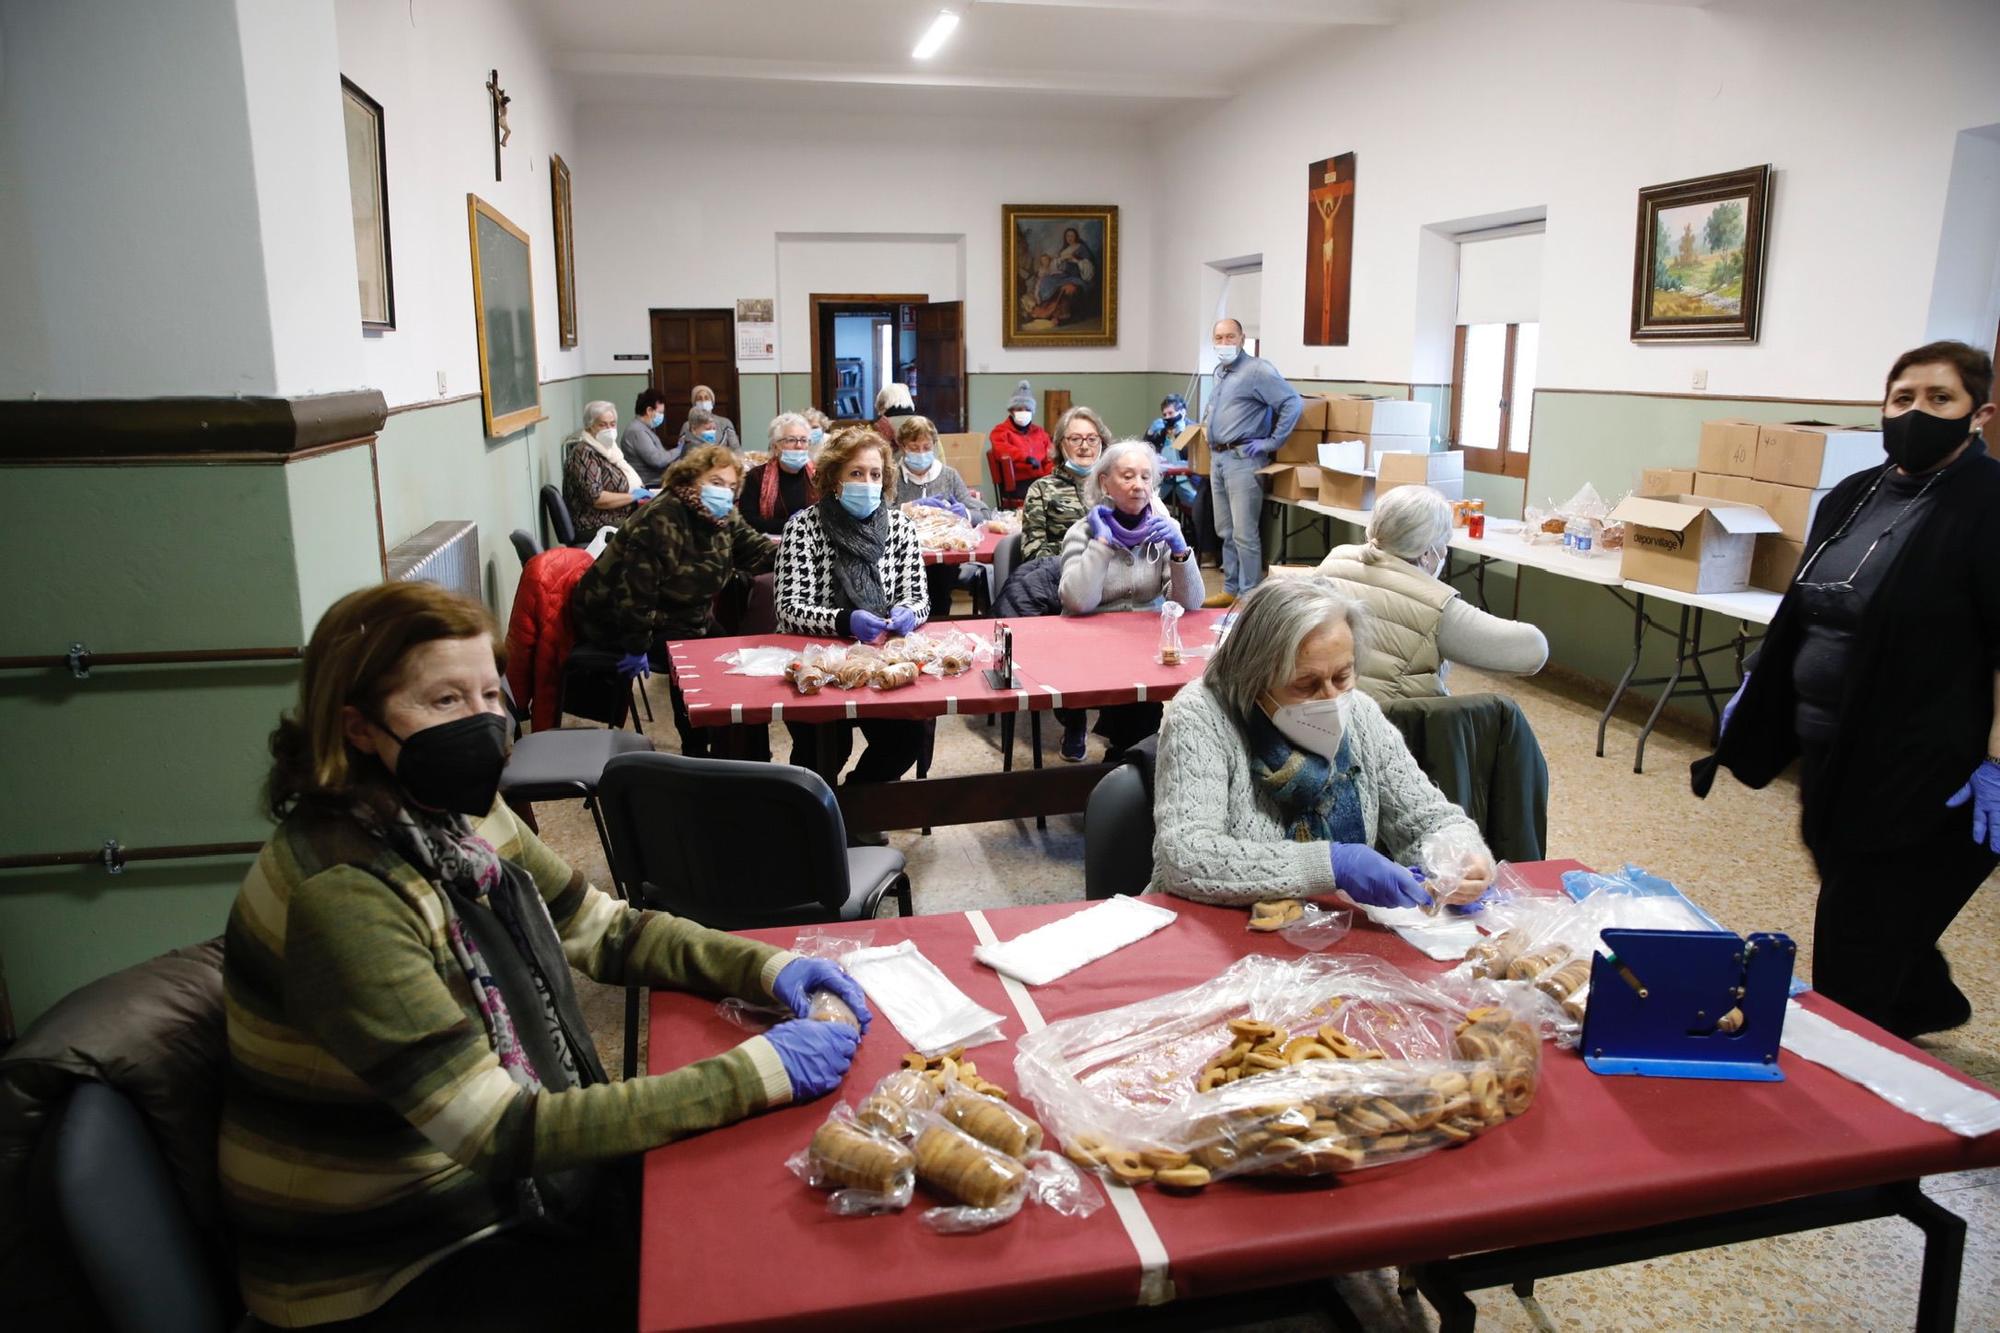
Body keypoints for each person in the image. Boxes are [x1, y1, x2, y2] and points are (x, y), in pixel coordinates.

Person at [220, 581, 867, 1329]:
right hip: (387, 1264)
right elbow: (505, 1131)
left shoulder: (450, 810)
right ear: (357, 727)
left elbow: (606, 928)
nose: (485, 721)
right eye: (445, 701)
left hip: (475, 1196)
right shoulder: (343, 893)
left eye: (491, 693)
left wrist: (764, 965)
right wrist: (762, 1069)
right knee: (717, 1276)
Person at [1695, 339, 2000, 1040]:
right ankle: (1924, 999)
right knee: (1846, 873)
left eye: (1939, 399)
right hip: (1830, 743)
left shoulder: (1989, 504)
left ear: (1978, 413)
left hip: (1924, 755)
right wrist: (1759, 685)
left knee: (1855, 926)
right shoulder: (1853, 493)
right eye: (1903, 398)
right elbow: (1803, 606)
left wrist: (1996, 761)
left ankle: (1851, 1061)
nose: (1917, 412)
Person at [1150, 576, 1493, 910]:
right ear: (1253, 679)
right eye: (1305, 684)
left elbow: (1430, 818)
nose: (1331, 697)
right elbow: (1186, 856)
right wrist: (1331, 864)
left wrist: (1460, 858)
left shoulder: (1360, 714)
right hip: (1211, 932)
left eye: (1342, 676)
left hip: (1324, 937)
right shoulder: (1202, 715)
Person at [569, 444, 778, 758]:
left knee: (729, 654)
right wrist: (636, 644)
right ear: (692, 479)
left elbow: (756, 548)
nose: (724, 492)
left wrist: (800, 551)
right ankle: (696, 747)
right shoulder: (663, 516)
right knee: (693, 657)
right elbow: (636, 590)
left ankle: (730, 741)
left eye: (731, 486)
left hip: (681, 613)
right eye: (716, 482)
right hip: (619, 618)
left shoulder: (719, 515)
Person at [776, 425, 931, 798]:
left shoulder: (899, 527)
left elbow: (919, 596)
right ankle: (812, 818)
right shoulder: (804, 527)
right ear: (834, 479)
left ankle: (854, 804)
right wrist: (845, 621)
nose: (867, 482)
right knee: (825, 747)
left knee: (907, 738)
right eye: (856, 473)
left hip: (880, 661)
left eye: (875, 474)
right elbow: (789, 608)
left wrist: (909, 612)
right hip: (819, 662)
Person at [1316, 485, 1549, 700]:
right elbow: (1533, 651)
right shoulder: (1436, 605)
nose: (1445, 551)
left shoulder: (1334, 562)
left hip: (1332, 707)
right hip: (1395, 725)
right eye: (1444, 544)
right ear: (1427, 553)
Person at [1053, 440, 1203, 761]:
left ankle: (1127, 766)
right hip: (1088, 646)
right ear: (1105, 482)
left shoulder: (1162, 532)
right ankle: (1120, 766)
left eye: (1146, 477)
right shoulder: (1083, 532)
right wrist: (1103, 543)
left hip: (1144, 647)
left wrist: (1179, 550)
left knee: (1144, 713)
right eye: (1128, 476)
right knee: (1131, 716)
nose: (1138, 486)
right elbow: (1078, 601)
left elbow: (1190, 604)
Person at [1202, 318, 1303, 605]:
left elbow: (1291, 403)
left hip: (1243, 460)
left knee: (1245, 532)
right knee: (1226, 531)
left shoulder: (1258, 370)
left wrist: (1271, 442)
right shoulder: (1221, 371)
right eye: (1219, 338)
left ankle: (1251, 595)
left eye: (1230, 337)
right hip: (1218, 457)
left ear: (1242, 338)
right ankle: (1231, 589)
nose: (1224, 343)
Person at [896, 414, 990, 620]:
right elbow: (877, 513)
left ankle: (938, 621)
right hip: (903, 556)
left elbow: (984, 513)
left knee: (938, 580)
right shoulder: (892, 477)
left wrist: (963, 512)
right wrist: (908, 507)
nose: (921, 453)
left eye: (926, 447)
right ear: (902, 446)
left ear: (934, 446)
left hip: (942, 559)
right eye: (914, 447)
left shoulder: (948, 475)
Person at [1020, 405, 1106, 561]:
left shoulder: (1115, 487)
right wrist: (1085, 551)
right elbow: (1033, 554)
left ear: (1102, 443)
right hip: (1058, 577)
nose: (1085, 446)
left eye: (1092, 439)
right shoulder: (1041, 489)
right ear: (1061, 444)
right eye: (1075, 439)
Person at [561, 399, 651, 539]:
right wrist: (632, 496)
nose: (609, 429)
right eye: (602, 425)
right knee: (651, 530)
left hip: (617, 516)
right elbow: (597, 498)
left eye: (612, 424)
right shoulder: (584, 453)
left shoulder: (609, 449)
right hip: (595, 524)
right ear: (590, 426)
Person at [1144, 391, 1209, 555]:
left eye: (1171, 413)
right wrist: (1150, 434)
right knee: (1148, 504)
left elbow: (1198, 459)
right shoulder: (1160, 431)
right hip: (1165, 481)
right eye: (1164, 414)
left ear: (1183, 411)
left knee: (1200, 510)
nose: (1167, 417)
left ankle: (1203, 551)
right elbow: (1145, 450)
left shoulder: (1191, 430)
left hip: (1186, 480)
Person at [741, 413, 818, 536]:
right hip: (768, 545)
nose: (799, 445)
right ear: (775, 446)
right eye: (791, 440)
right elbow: (748, 520)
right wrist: (790, 525)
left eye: (803, 440)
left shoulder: (818, 476)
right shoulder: (756, 476)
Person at [987, 379, 1053, 506]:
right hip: (1018, 484)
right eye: (1019, 409)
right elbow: (1001, 449)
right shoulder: (1000, 431)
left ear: (1032, 411)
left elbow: (1050, 456)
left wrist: (1048, 477)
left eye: (1027, 409)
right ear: (1011, 411)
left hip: (1041, 480)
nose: (1023, 412)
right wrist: (1025, 458)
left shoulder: (1039, 432)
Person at [621, 387, 674, 486]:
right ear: (649, 410)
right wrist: (679, 449)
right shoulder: (637, 431)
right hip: (649, 485)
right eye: (660, 412)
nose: (662, 416)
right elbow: (657, 460)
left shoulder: (644, 428)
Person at [677, 385, 740, 452]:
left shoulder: (725, 423)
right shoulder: (687, 426)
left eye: (706, 398)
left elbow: (736, 448)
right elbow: (680, 451)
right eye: (699, 399)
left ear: (712, 402)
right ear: (694, 404)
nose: (703, 401)